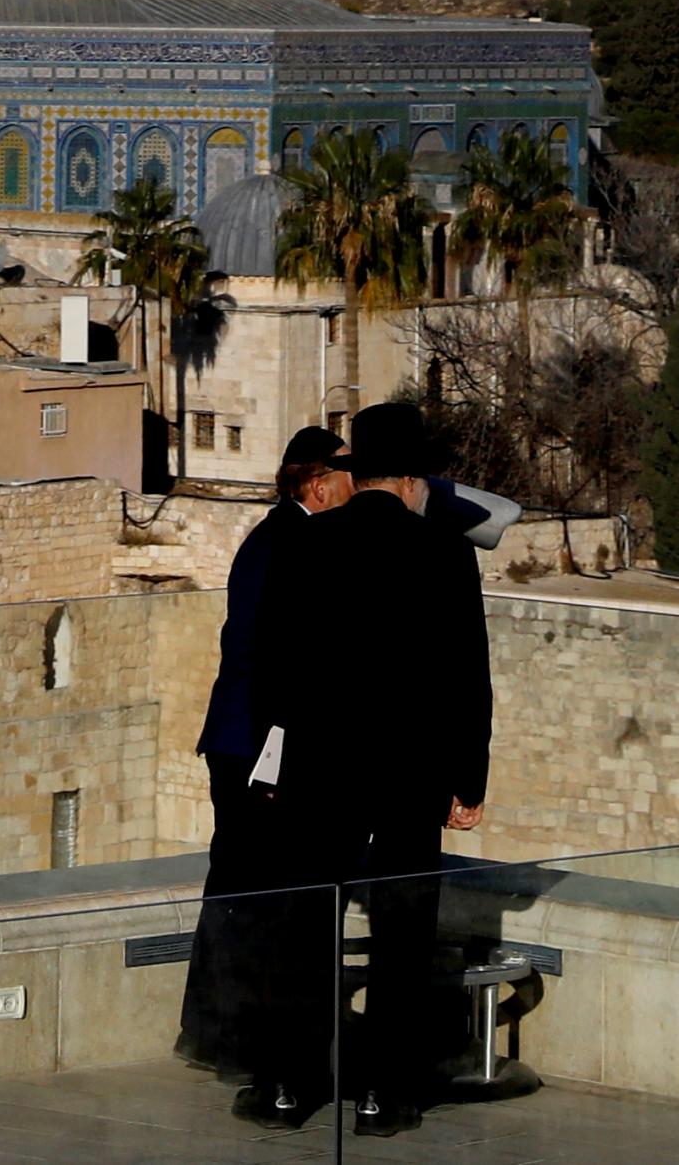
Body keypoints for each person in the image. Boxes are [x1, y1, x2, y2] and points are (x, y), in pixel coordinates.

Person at [238, 401, 493, 1137]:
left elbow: (274, 669)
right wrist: (466, 779)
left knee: (305, 925)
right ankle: (385, 1095)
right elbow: (466, 677)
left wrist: (276, 761)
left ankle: (289, 1085)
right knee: (403, 934)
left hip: (321, 766)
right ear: (413, 478)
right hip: (410, 770)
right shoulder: (445, 552)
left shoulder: (310, 544)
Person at [175, 425, 350, 1075]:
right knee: (257, 890)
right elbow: (280, 660)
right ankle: (241, 1040)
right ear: (317, 482)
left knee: (236, 884)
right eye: (345, 475)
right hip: (260, 744)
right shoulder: (295, 542)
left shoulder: (273, 537)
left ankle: (216, 1032)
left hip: (242, 739)